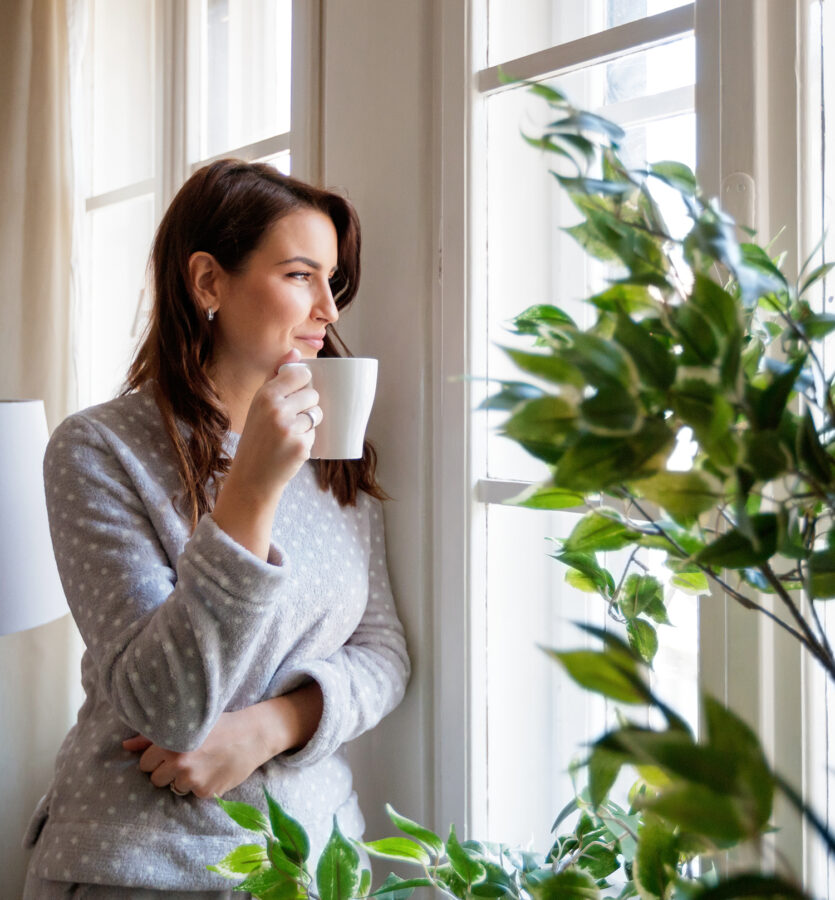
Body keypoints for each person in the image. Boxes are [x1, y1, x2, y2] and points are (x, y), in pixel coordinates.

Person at [22, 160, 410, 898]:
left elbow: (383, 652)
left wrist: (274, 726)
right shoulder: (97, 450)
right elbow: (163, 702)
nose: (328, 309)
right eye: (300, 275)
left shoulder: (332, 447)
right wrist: (251, 492)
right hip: (138, 862)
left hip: (314, 860)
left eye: (333, 280)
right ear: (208, 284)